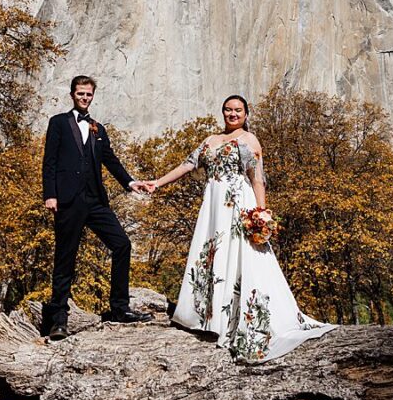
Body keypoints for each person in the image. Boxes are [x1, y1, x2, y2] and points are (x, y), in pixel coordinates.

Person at [141, 94, 333, 363]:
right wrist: (157, 183)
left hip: (239, 204)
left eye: (238, 110)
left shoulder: (249, 140)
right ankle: (210, 319)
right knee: (213, 254)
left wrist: (261, 214)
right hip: (214, 206)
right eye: (228, 110)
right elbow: (187, 165)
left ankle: (239, 322)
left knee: (242, 257)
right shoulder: (210, 141)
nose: (233, 114)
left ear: (246, 114)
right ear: (222, 112)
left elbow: (257, 180)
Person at [41, 75, 152, 340]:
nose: (85, 98)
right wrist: (50, 195)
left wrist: (129, 182)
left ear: (93, 96)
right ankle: (58, 320)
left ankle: (119, 309)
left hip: (95, 201)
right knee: (65, 259)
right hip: (67, 201)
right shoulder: (58, 123)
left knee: (122, 244)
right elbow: (50, 162)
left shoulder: (97, 128)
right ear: (72, 94)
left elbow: (110, 160)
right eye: (80, 94)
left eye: (89, 94)